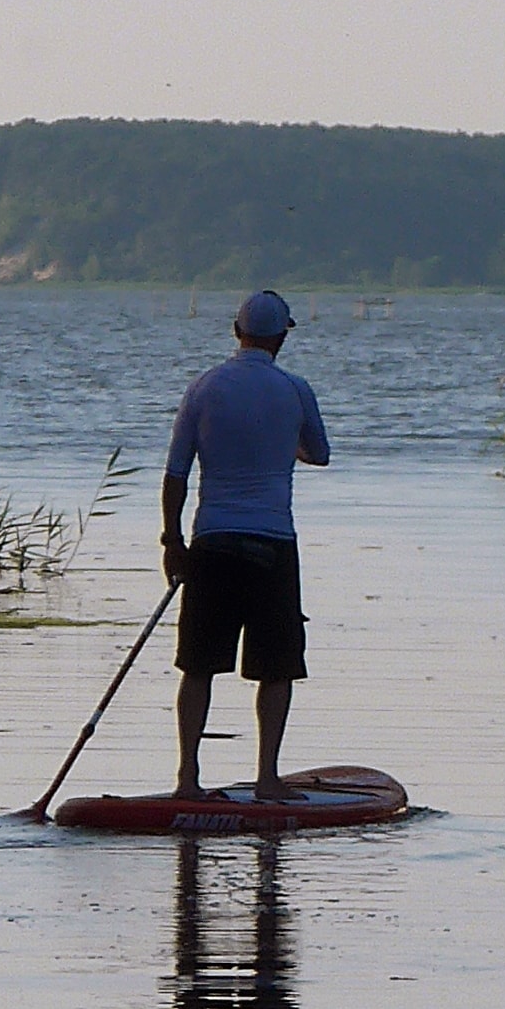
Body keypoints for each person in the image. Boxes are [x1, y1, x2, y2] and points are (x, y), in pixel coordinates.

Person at [162, 289, 331, 800]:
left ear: (237, 332)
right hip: (273, 544)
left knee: (197, 665)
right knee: (275, 667)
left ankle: (187, 780)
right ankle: (266, 778)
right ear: (281, 337)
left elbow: (175, 474)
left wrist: (172, 540)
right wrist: (285, 443)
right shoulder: (295, 390)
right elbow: (318, 454)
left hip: (211, 540)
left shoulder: (203, 388)